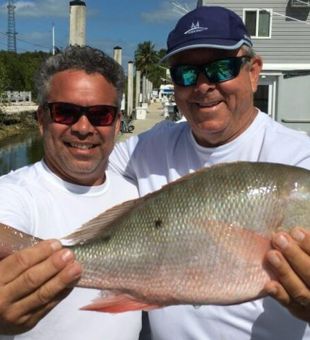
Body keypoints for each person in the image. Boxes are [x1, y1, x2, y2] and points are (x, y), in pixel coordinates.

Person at [109, 6, 310, 340]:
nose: (202, 86)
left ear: (253, 71)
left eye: (221, 68)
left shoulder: (300, 159)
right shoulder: (150, 147)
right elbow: (71, 173)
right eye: (185, 74)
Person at [0, 45, 142, 339]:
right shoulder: (13, 194)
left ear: (117, 124)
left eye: (100, 115)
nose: (82, 127)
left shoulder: (135, 195)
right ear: (41, 120)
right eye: (66, 112)